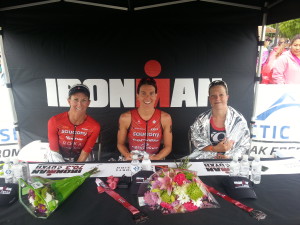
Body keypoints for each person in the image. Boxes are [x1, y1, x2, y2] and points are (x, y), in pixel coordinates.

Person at [187, 80, 250, 159]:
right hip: (205, 163)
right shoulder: (201, 120)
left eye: (221, 95)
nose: (217, 98)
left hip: (231, 164)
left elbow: (244, 147)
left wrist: (229, 157)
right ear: (210, 99)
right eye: (213, 96)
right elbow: (196, 143)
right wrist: (214, 149)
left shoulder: (239, 121)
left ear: (227, 97)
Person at [117, 77, 172, 161]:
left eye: (151, 93)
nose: (147, 97)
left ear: (156, 96)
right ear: (137, 96)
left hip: (155, 159)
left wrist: (157, 157)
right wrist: (127, 154)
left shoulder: (165, 118)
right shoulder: (125, 117)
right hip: (133, 160)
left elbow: (168, 146)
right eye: (143, 93)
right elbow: (120, 144)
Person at [48, 84, 101, 162]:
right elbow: (54, 150)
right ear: (69, 101)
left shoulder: (94, 126)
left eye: (84, 100)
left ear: (88, 103)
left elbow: (85, 152)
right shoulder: (55, 121)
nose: (79, 104)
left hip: (81, 158)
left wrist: (76, 167)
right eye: (76, 99)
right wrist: (64, 169)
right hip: (58, 157)